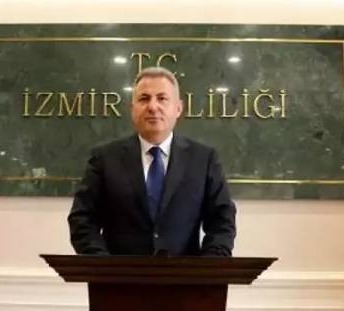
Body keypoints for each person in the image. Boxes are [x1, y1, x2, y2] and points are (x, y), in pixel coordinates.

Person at [68, 66, 236, 256]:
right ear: (132, 109)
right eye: (144, 99)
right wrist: (103, 265)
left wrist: (209, 267)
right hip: (117, 274)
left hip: (186, 274)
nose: (153, 107)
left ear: (178, 108)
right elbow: (82, 219)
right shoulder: (104, 158)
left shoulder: (203, 159)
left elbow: (222, 221)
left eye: (162, 98)